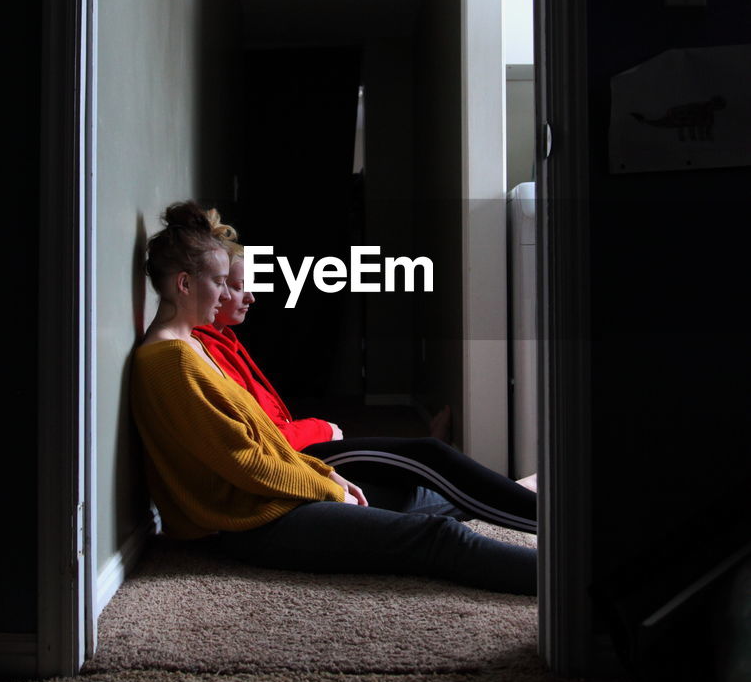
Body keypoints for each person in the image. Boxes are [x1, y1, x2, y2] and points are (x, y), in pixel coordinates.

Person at [130, 200, 537, 595]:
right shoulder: (170, 360)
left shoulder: (195, 347)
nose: (225, 295)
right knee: (438, 537)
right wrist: (326, 488)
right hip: (252, 523)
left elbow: (264, 442)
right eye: (220, 283)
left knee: (418, 498)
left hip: (274, 499)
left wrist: (328, 476)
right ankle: (570, 582)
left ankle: (535, 502)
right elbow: (244, 461)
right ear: (184, 284)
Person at [194, 211, 537, 535]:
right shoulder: (200, 352)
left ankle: (513, 493)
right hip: (294, 457)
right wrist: (323, 428)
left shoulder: (224, 340)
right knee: (426, 455)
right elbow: (258, 443)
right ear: (208, 285)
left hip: (298, 448)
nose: (251, 297)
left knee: (396, 490)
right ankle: (543, 514)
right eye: (238, 287)